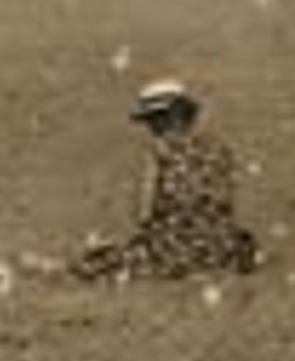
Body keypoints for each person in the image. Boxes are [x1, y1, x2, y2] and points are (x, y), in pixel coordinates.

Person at [72, 80, 258, 282]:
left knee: (94, 263)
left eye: (151, 120)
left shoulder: (159, 151)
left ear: (161, 120)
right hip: (220, 248)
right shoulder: (219, 150)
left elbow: (143, 214)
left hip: (170, 251)